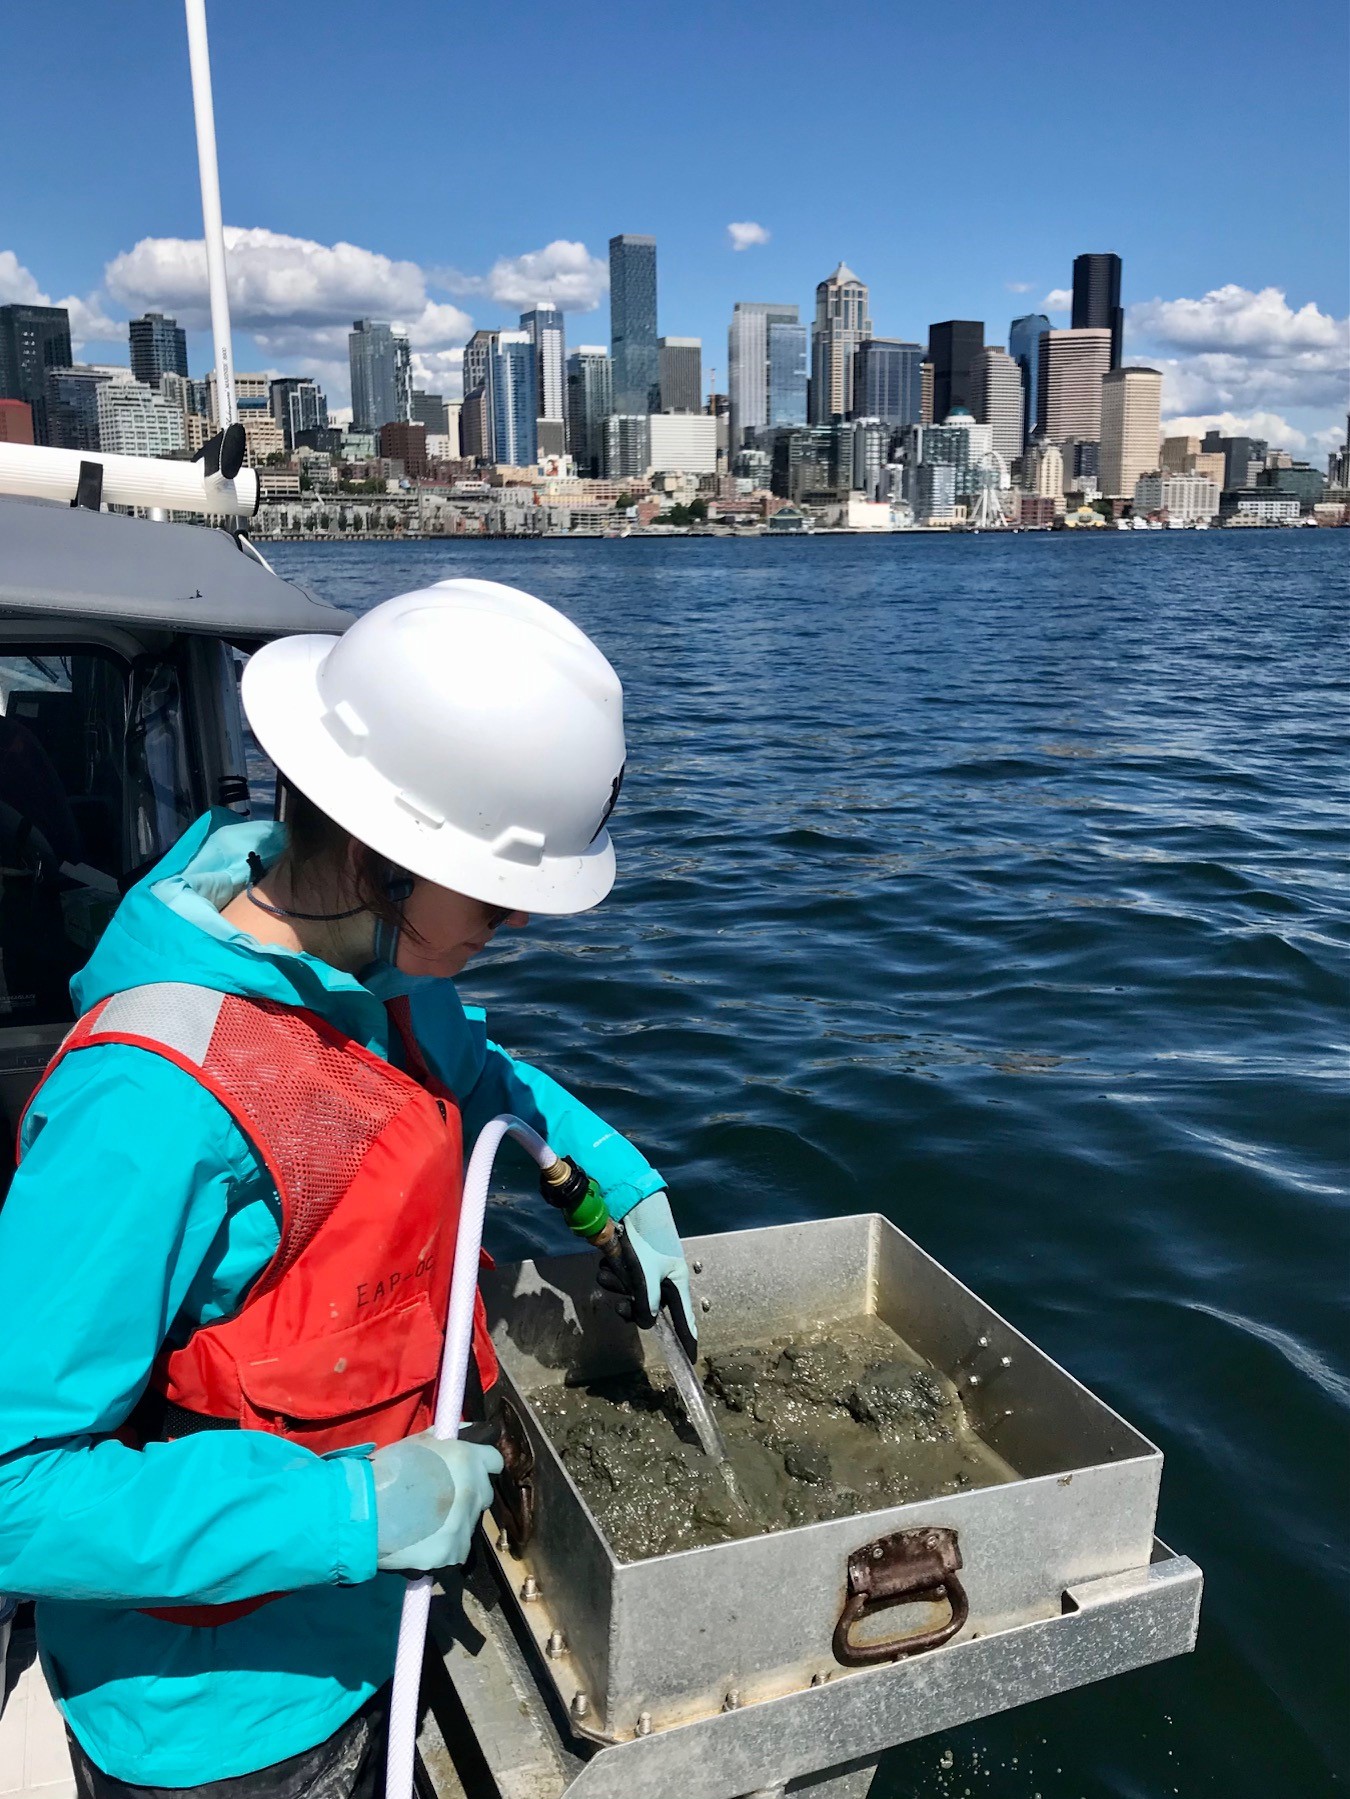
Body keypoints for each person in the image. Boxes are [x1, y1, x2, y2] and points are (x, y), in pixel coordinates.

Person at [0, 579, 695, 1797]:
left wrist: (616, 1186)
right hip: (225, 1717)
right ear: (383, 864)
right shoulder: (149, 1108)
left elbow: (465, 1074)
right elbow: (17, 1486)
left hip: (377, 1615)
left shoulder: (361, 958)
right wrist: (346, 1514)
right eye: (494, 894)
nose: (521, 921)